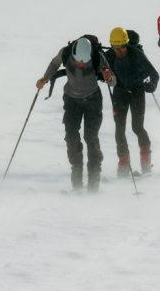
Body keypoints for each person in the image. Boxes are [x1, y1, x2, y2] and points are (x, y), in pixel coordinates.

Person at [36, 35, 115, 191]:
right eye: (78, 61)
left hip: (93, 100)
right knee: (71, 136)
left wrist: (109, 77)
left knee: (91, 138)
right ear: (73, 53)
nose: (80, 64)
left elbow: (112, 82)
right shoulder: (65, 52)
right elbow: (54, 63)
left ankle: (94, 182)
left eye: (84, 62)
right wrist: (45, 79)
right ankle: (77, 181)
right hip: (71, 100)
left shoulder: (98, 57)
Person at [105, 27, 159, 177]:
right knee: (119, 129)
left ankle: (146, 161)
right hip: (120, 93)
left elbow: (154, 74)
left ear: (127, 44)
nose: (120, 50)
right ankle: (123, 163)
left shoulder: (136, 54)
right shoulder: (108, 56)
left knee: (137, 127)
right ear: (112, 46)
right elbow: (99, 72)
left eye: (122, 46)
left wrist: (151, 86)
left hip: (137, 92)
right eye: (116, 47)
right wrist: (105, 76)